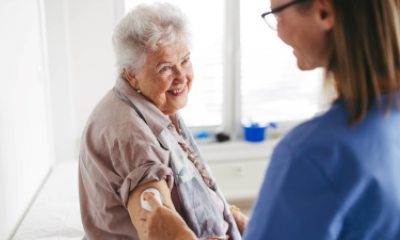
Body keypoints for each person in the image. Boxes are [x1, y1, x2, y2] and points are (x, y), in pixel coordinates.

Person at [140, 0, 400, 239]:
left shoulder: (313, 153)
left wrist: (176, 237)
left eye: (276, 13)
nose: (278, 32)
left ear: (324, 12)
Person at [78, 2, 246, 240]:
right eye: (165, 68)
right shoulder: (131, 134)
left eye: (185, 60)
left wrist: (230, 217)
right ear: (131, 74)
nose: (181, 77)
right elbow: (157, 225)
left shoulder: (151, 103)